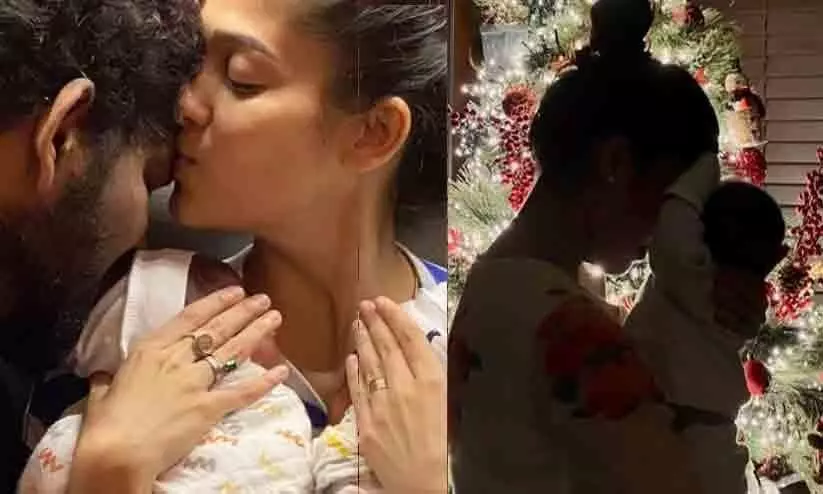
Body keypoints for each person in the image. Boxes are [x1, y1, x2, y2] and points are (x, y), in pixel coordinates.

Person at [16, 0, 450, 492]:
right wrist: (107, 473)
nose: (184, 103)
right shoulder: (132, 318)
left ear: (374, 133)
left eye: (242, 79)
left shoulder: (479, 339)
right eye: (192, 66)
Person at [448, 0, 723, 491]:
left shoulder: (490, 285)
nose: (671, 229)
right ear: (615, 164)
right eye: (675, 199)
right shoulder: (572, 332)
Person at [624, 153, 787, 493]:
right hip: (712, 441)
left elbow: (672, 222)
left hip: (679, 437)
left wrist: (705, 159)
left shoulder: (695, 277)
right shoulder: (738, 303)